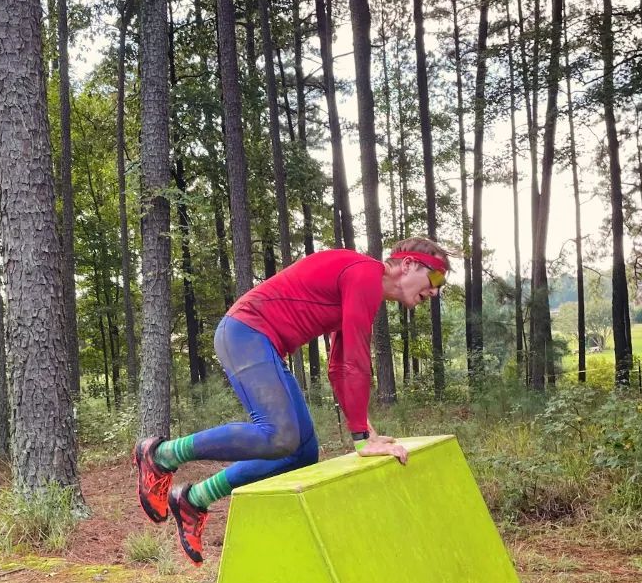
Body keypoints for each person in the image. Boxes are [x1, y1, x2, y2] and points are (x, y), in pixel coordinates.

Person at [133, 237, 453, 563]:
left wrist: (364, 429)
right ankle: (161, 454)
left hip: (262, 343)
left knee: (300, 453)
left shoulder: (364, 285)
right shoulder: (365, 274)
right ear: (409, 264)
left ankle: (194, 499)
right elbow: (356, 359)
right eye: (436, 277)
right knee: (279, 434)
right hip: (245, 332)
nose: (436, 291)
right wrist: (360, 440)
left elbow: (340, 365)